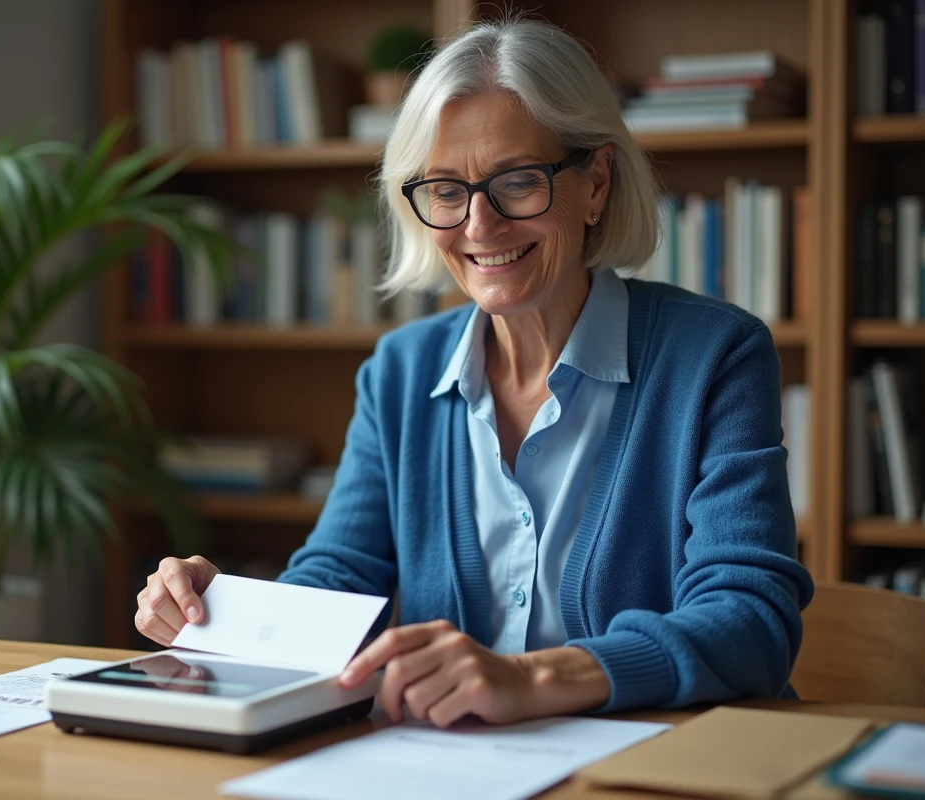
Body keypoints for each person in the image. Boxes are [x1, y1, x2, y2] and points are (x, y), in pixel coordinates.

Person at [134, 17, 814, 728]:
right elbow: (338, 585)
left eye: (517, 182)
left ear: (597, 183)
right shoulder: (399, 371)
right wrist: (229, 612)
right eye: (446, 190)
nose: (479, 226)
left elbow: (751, 621)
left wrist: (532, 679)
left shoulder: (716, 355)